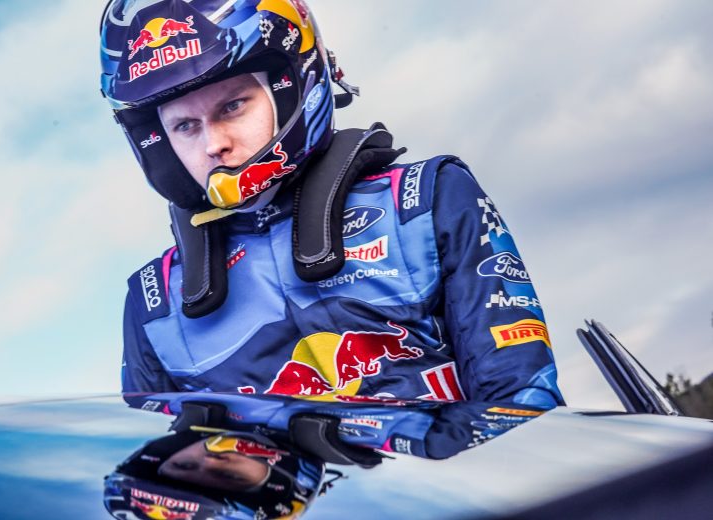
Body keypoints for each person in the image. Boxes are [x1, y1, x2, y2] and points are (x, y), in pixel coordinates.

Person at [99, 0, 563, 409]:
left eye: (233, 106)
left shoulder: (424, 201)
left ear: (289, 85)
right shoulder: (154, 304)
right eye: (184, 126)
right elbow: (157, 468)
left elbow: (521, 401)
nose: (213, 144)